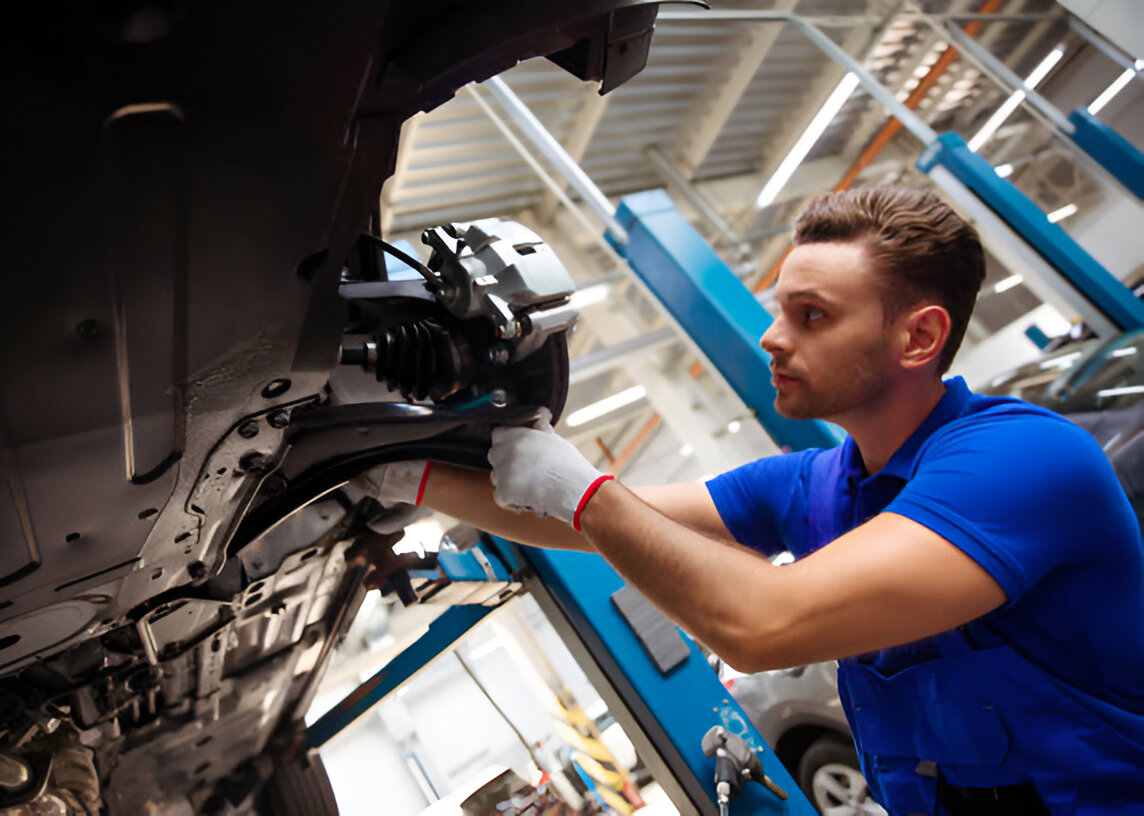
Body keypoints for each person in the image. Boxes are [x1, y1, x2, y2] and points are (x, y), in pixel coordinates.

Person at [362, 186, 1144, 814]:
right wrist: (398, 475)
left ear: (917, 338)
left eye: (811, 316)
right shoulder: (817, 484)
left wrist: (585, 493)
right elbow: (582, 520)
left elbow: (764, 624)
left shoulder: (1021, 459)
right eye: (778, 309)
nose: (772, 337)